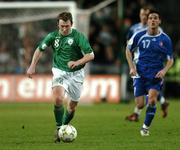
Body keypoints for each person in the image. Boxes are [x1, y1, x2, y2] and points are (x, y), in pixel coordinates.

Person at [26, 12, 94, 142]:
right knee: (58, 98)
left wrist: (77, 62)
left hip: (77, 74)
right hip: (59, 71)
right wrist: (32, 66)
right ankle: (59, 129)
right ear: (58, 24)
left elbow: (91, 55)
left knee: (72, 106)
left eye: (67, 26)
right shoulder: (52, 36)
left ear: (72, 24)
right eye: (62, 26)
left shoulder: (78, 37)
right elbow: (39, 49)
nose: (64, 29)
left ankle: (63, 126)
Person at [125, 9, 174, 136]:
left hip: (156, 74)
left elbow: (170, 59)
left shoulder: (165, 39)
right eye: (151, 18)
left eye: (155, 18)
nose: (153, 20)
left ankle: (145, 128)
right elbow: (128, 50)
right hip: (139, 73)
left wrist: (164, 70)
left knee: (152, 100)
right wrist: (131, 67)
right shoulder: (138, 35)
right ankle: (161, 102)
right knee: (140, 104)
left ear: (159, 21)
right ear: (147, 21)